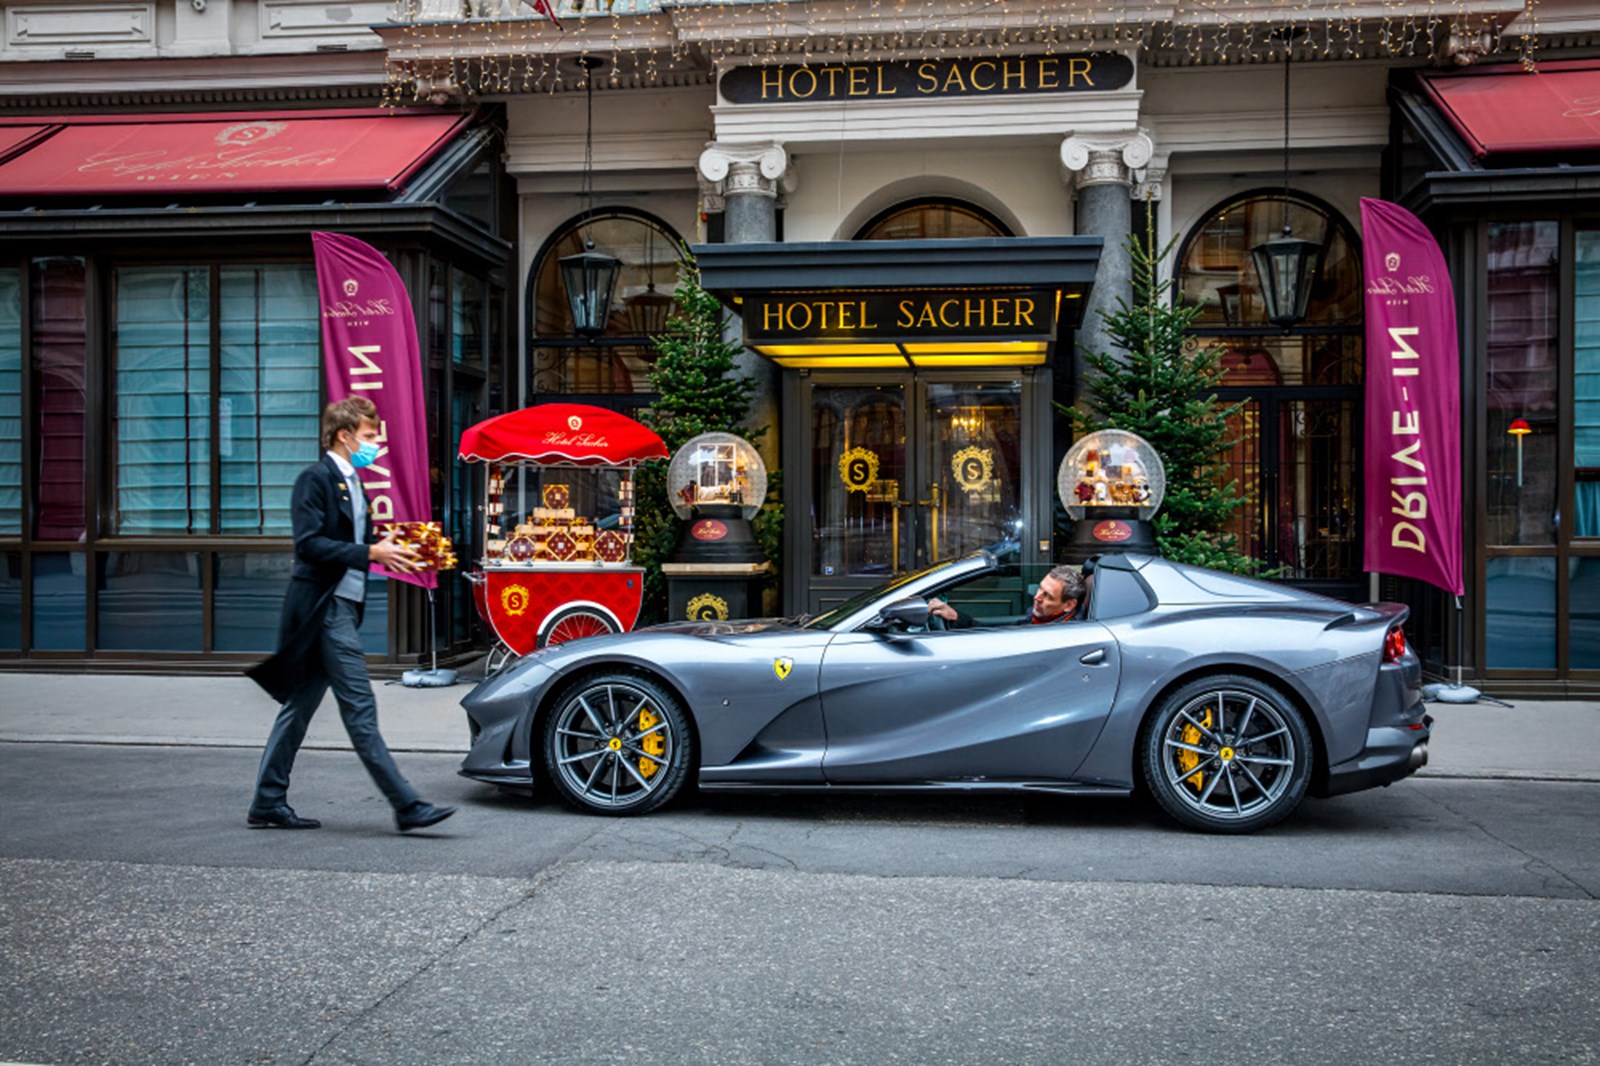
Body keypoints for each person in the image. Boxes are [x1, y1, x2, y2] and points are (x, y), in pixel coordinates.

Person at [245, 396, 456, 833]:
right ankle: (407, 805)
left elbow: (361, 540)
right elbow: (308, 544)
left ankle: (267, 801)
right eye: (368, 435)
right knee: (359, 705)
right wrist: (370, 552)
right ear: (344, 435)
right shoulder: (315, 479)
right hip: (325, 610)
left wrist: (397, 551)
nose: (374, 443)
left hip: (339, 606)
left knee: (298, 709)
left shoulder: (353, 482)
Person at [928, 565, 1085, 629]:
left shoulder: (1062, 635)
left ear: (1069, 605)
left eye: (1048, 596)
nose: (1037, 597)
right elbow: (1002, 633)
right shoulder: (1040, 620)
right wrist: (956, 617)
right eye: (1039, 589)